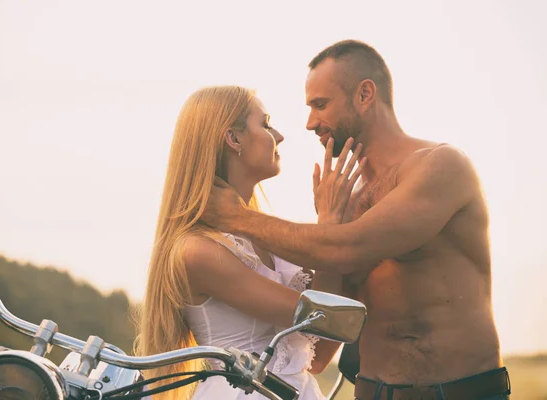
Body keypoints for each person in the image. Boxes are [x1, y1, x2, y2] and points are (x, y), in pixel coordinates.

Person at [200, 40, 511, 400]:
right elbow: (323, 350)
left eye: (321, 105)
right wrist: (328, 223)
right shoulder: (348, 203)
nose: (310, 123)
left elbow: (347, 249)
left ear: (365, 94)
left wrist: (238, 217)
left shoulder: (440, 166)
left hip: (458, 394)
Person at [133, 86, 364, 400]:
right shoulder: (199, 251)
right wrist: (329, 228)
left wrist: (336, 228)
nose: (279, 136)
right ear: (234, 138)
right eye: (266, 124)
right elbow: (324, 319)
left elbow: (319, 356)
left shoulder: (261, 238)